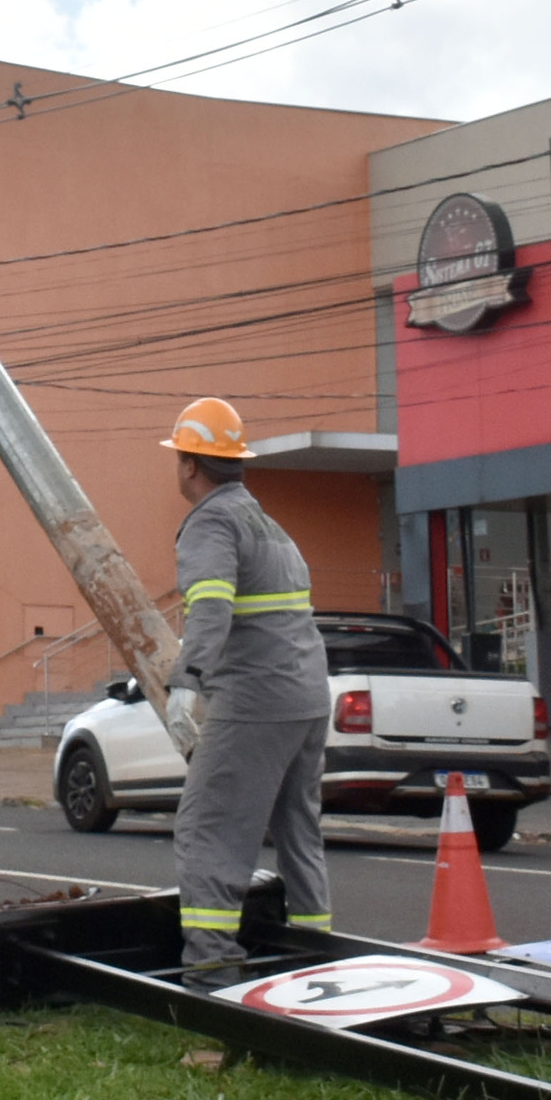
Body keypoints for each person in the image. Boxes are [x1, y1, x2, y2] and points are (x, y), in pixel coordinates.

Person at [159, 395, 332, 970]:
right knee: (299, 837)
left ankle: (212, 970)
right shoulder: (268, 523)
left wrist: (188, 679)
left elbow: (210, 605)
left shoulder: (212, 521)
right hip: (306, 697)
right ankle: (313, 960)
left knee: (207, 831)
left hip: (255, 699)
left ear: (189, 463)